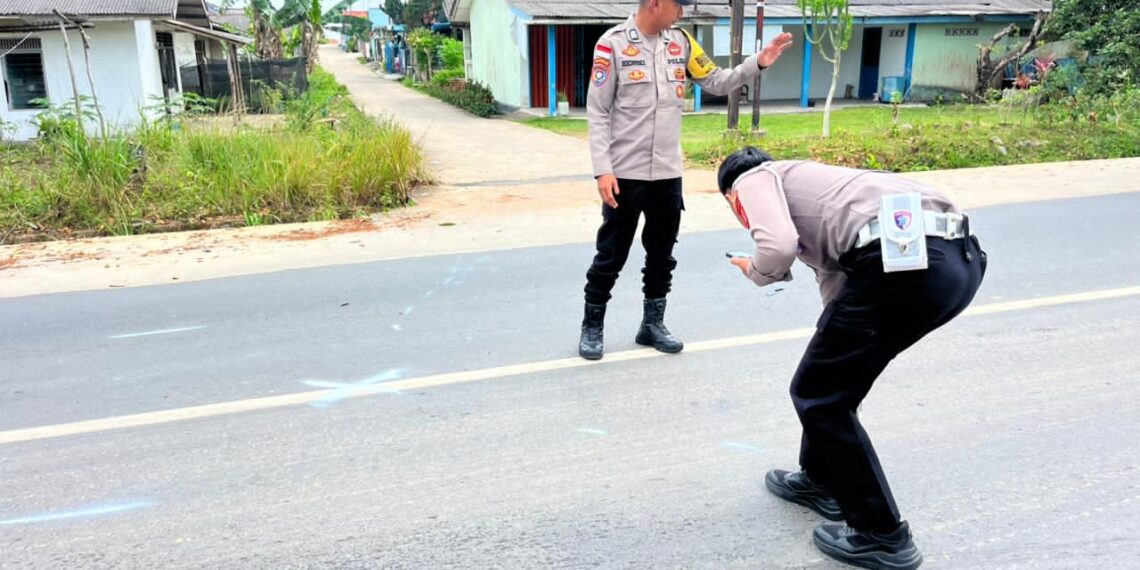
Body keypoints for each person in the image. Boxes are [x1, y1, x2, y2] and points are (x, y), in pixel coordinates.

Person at [717, 147, 987, 569]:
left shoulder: (753, 179)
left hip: (905, 267)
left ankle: (881, 534)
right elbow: (838, 285)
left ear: (733, 198)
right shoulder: (822, 185)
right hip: (957, 264)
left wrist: (754, 269)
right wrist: (829, 341)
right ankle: (820, 479)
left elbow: (778, 246)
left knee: (819, 394)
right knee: (831, 385)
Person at [578, 0, 794, 360]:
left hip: (667, 173)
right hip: (624, 174)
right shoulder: (612, 44)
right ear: (657, 3)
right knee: (611, 254)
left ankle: (652, 324)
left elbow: (717, 81)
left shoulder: (681, 43)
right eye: (678, 5)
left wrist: (758, 62)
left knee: (662, 254)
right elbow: (598, 111)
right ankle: (592, 326)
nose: (682, 13)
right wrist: (603, 169)